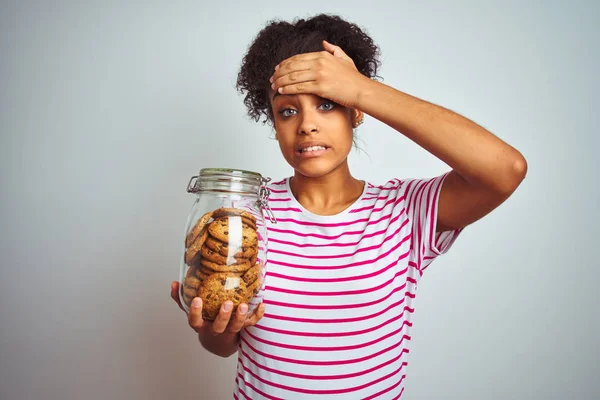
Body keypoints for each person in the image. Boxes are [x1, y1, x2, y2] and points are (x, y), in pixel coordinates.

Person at [171, 13, 527, 399]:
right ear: (273, 122)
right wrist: (213, 330)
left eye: (327, 104)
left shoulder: (405, 211)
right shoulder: (248, 214)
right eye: (288, 111)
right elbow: (225, 346)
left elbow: (505, 169)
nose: (306, 125)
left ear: (356, 112)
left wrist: (360, 88)